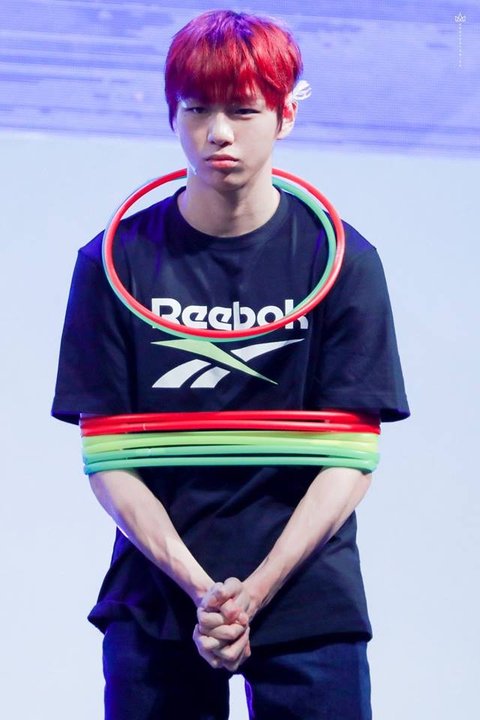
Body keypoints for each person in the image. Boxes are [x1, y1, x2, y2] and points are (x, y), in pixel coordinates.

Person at [52, 9, 409, 720]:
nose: (218, 132)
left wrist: (255, 591)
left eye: (243, 110)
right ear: (172, 116)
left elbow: (352, 454)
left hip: (309, 596)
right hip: (156, 598)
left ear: (284, 116)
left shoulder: (343, 260)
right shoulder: (112, 262)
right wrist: (200, 589)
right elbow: (106, 454)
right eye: (197, 109)